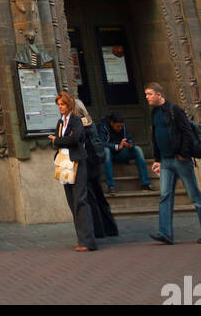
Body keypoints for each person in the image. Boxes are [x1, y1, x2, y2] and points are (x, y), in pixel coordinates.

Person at [145, 82, 201, 245]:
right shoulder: (154, 113)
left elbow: (187, 132)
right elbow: (155, 135)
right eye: (146, 94)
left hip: (180, 160)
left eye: (149, 94)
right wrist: (156, 159)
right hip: (165, 161)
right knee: (165, 195)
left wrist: (183, 154)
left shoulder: (175, 110)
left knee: (195, 196)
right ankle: (165, 233)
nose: (147, 97)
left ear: (158, 94)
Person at [49, 90, 97, 252]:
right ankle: (81, 238)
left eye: (62, 104)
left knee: (80, 200)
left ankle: (88, 241)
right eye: (59, 105)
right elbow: (56, 140)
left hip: (76, 161)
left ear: (69, 105)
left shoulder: (76, 120)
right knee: (72, 201)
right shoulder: (61, 122)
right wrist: (60, 140)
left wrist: (59, 140)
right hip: (64, 162)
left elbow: (75, 138)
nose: (60, 107)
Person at [76, 100, 117, 241]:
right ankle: (110, 228)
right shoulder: (89, 121)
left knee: (90, 198)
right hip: (95, 163)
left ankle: (98, 229)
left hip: (87, 162)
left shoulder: (78, 124)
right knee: (99, 196)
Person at [98, 111, 152, 193]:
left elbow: (129, 139)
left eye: (121, 126)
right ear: (112, 123)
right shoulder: (103, 127)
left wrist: (130, 145)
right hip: (109, 155)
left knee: (138, 149)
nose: (120, 128)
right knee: (106, 151)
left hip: (121, 154)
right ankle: (110, 185)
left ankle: (145, 183)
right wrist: (116, 146)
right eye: (118, 126)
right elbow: (101, 143)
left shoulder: (123, 127)